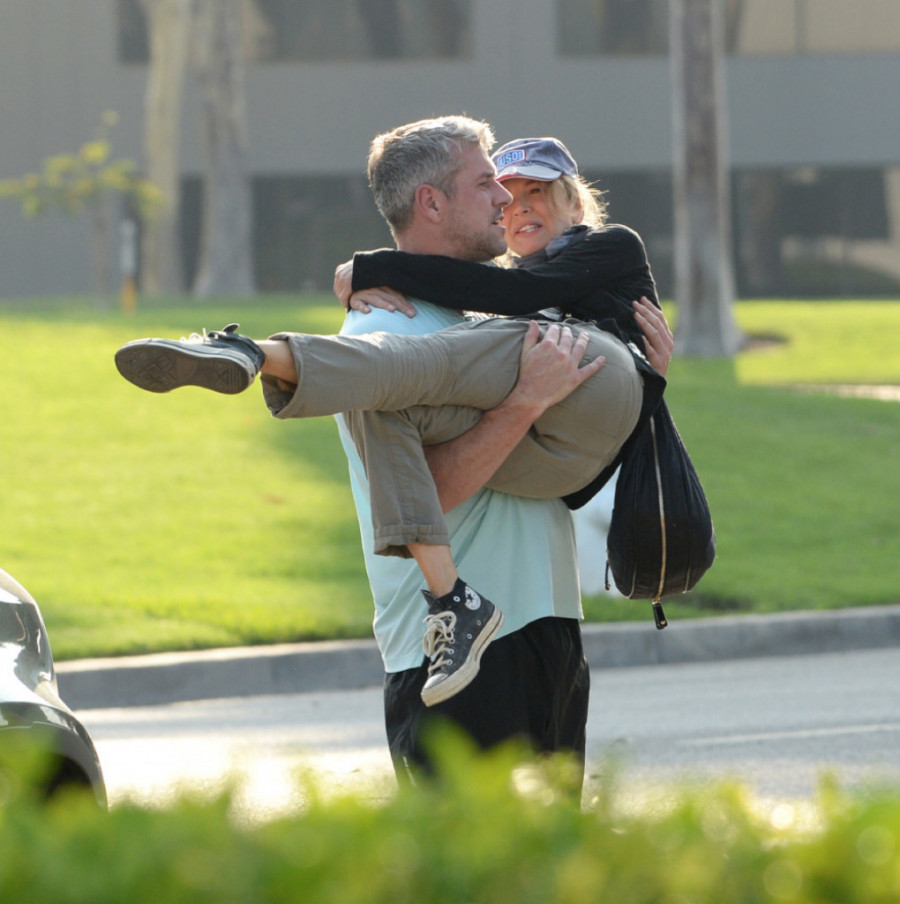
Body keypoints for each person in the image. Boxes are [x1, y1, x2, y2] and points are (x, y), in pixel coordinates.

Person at [116, 116, 671, 789]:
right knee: (465, 857)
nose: (504, 199)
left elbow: (566, 467)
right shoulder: (382, 328)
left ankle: (254, 353)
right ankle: (254, 356)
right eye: (486, 183)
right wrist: (522, 404)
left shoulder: (483, 314)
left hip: (546, 629)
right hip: (463, 660)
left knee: (545, 852)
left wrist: (642, 380)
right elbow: (425, 497)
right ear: (431, 203)